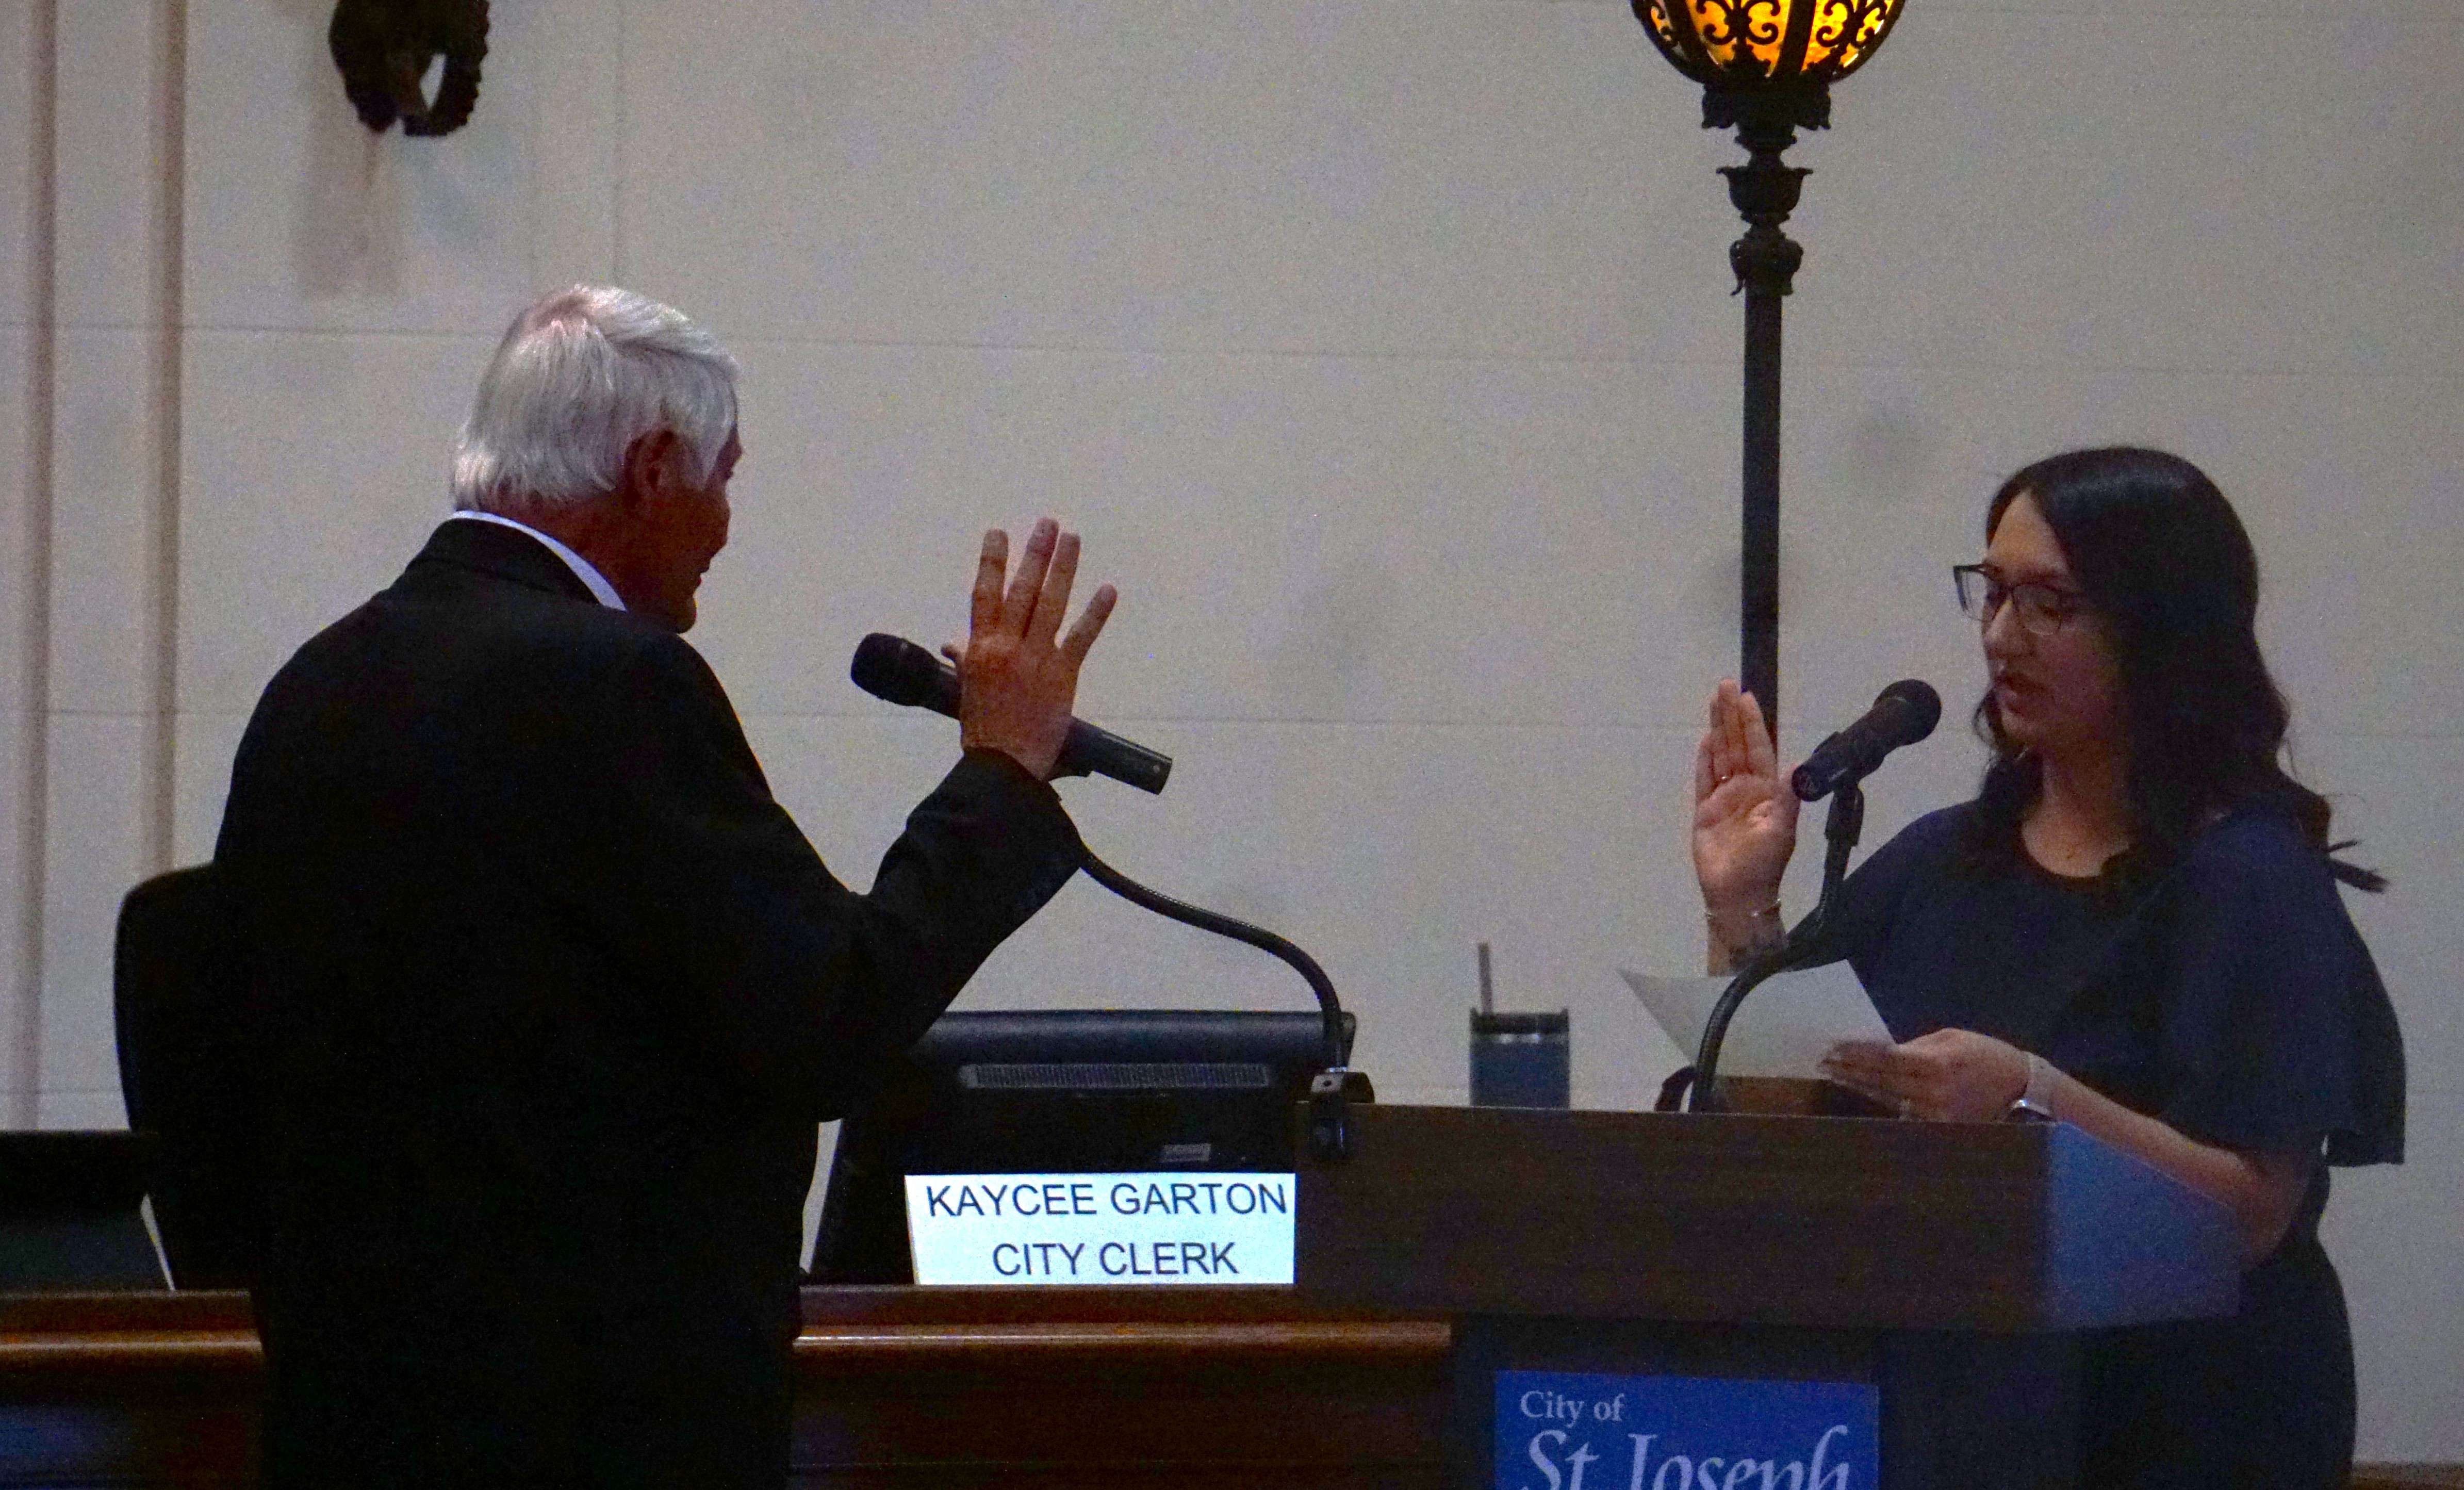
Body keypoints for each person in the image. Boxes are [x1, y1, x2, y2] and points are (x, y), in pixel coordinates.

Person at [211, 285, 1119, 1489]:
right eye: (722, 480)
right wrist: (1000, 772)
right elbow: (830, 1017)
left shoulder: (315, 687)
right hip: (596, 1428)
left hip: (346, 1417)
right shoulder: (610, 683)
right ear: (650, 468)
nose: (726, 528)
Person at [1688, 447, 2404, 1487]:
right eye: (1991, 591)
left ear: (2162, 630)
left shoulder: (2247, 878)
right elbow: (1778, 1102)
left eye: (2050, 604)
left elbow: (2252, 1210)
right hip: (1960, 1406)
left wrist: (2030, 1095)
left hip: (2187, 1418)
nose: (1999, 635)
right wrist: (1740, 904)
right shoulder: (1943, 859)